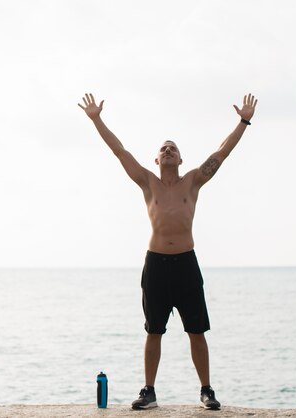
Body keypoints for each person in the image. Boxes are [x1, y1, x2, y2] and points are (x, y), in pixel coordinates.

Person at [78, 92, 257, 410]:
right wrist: (96, 119)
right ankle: (149, 391)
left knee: (197, 331)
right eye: (163, 149)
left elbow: (222, 152)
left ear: (181, 158)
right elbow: (119, 151)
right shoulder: (147, 181)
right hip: (156, 265)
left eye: (173, 147)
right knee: (154, 331)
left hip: (186, 264)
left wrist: (243, 121)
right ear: (157, 160)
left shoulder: (193, 181)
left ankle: (206, 391)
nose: (168, 150)